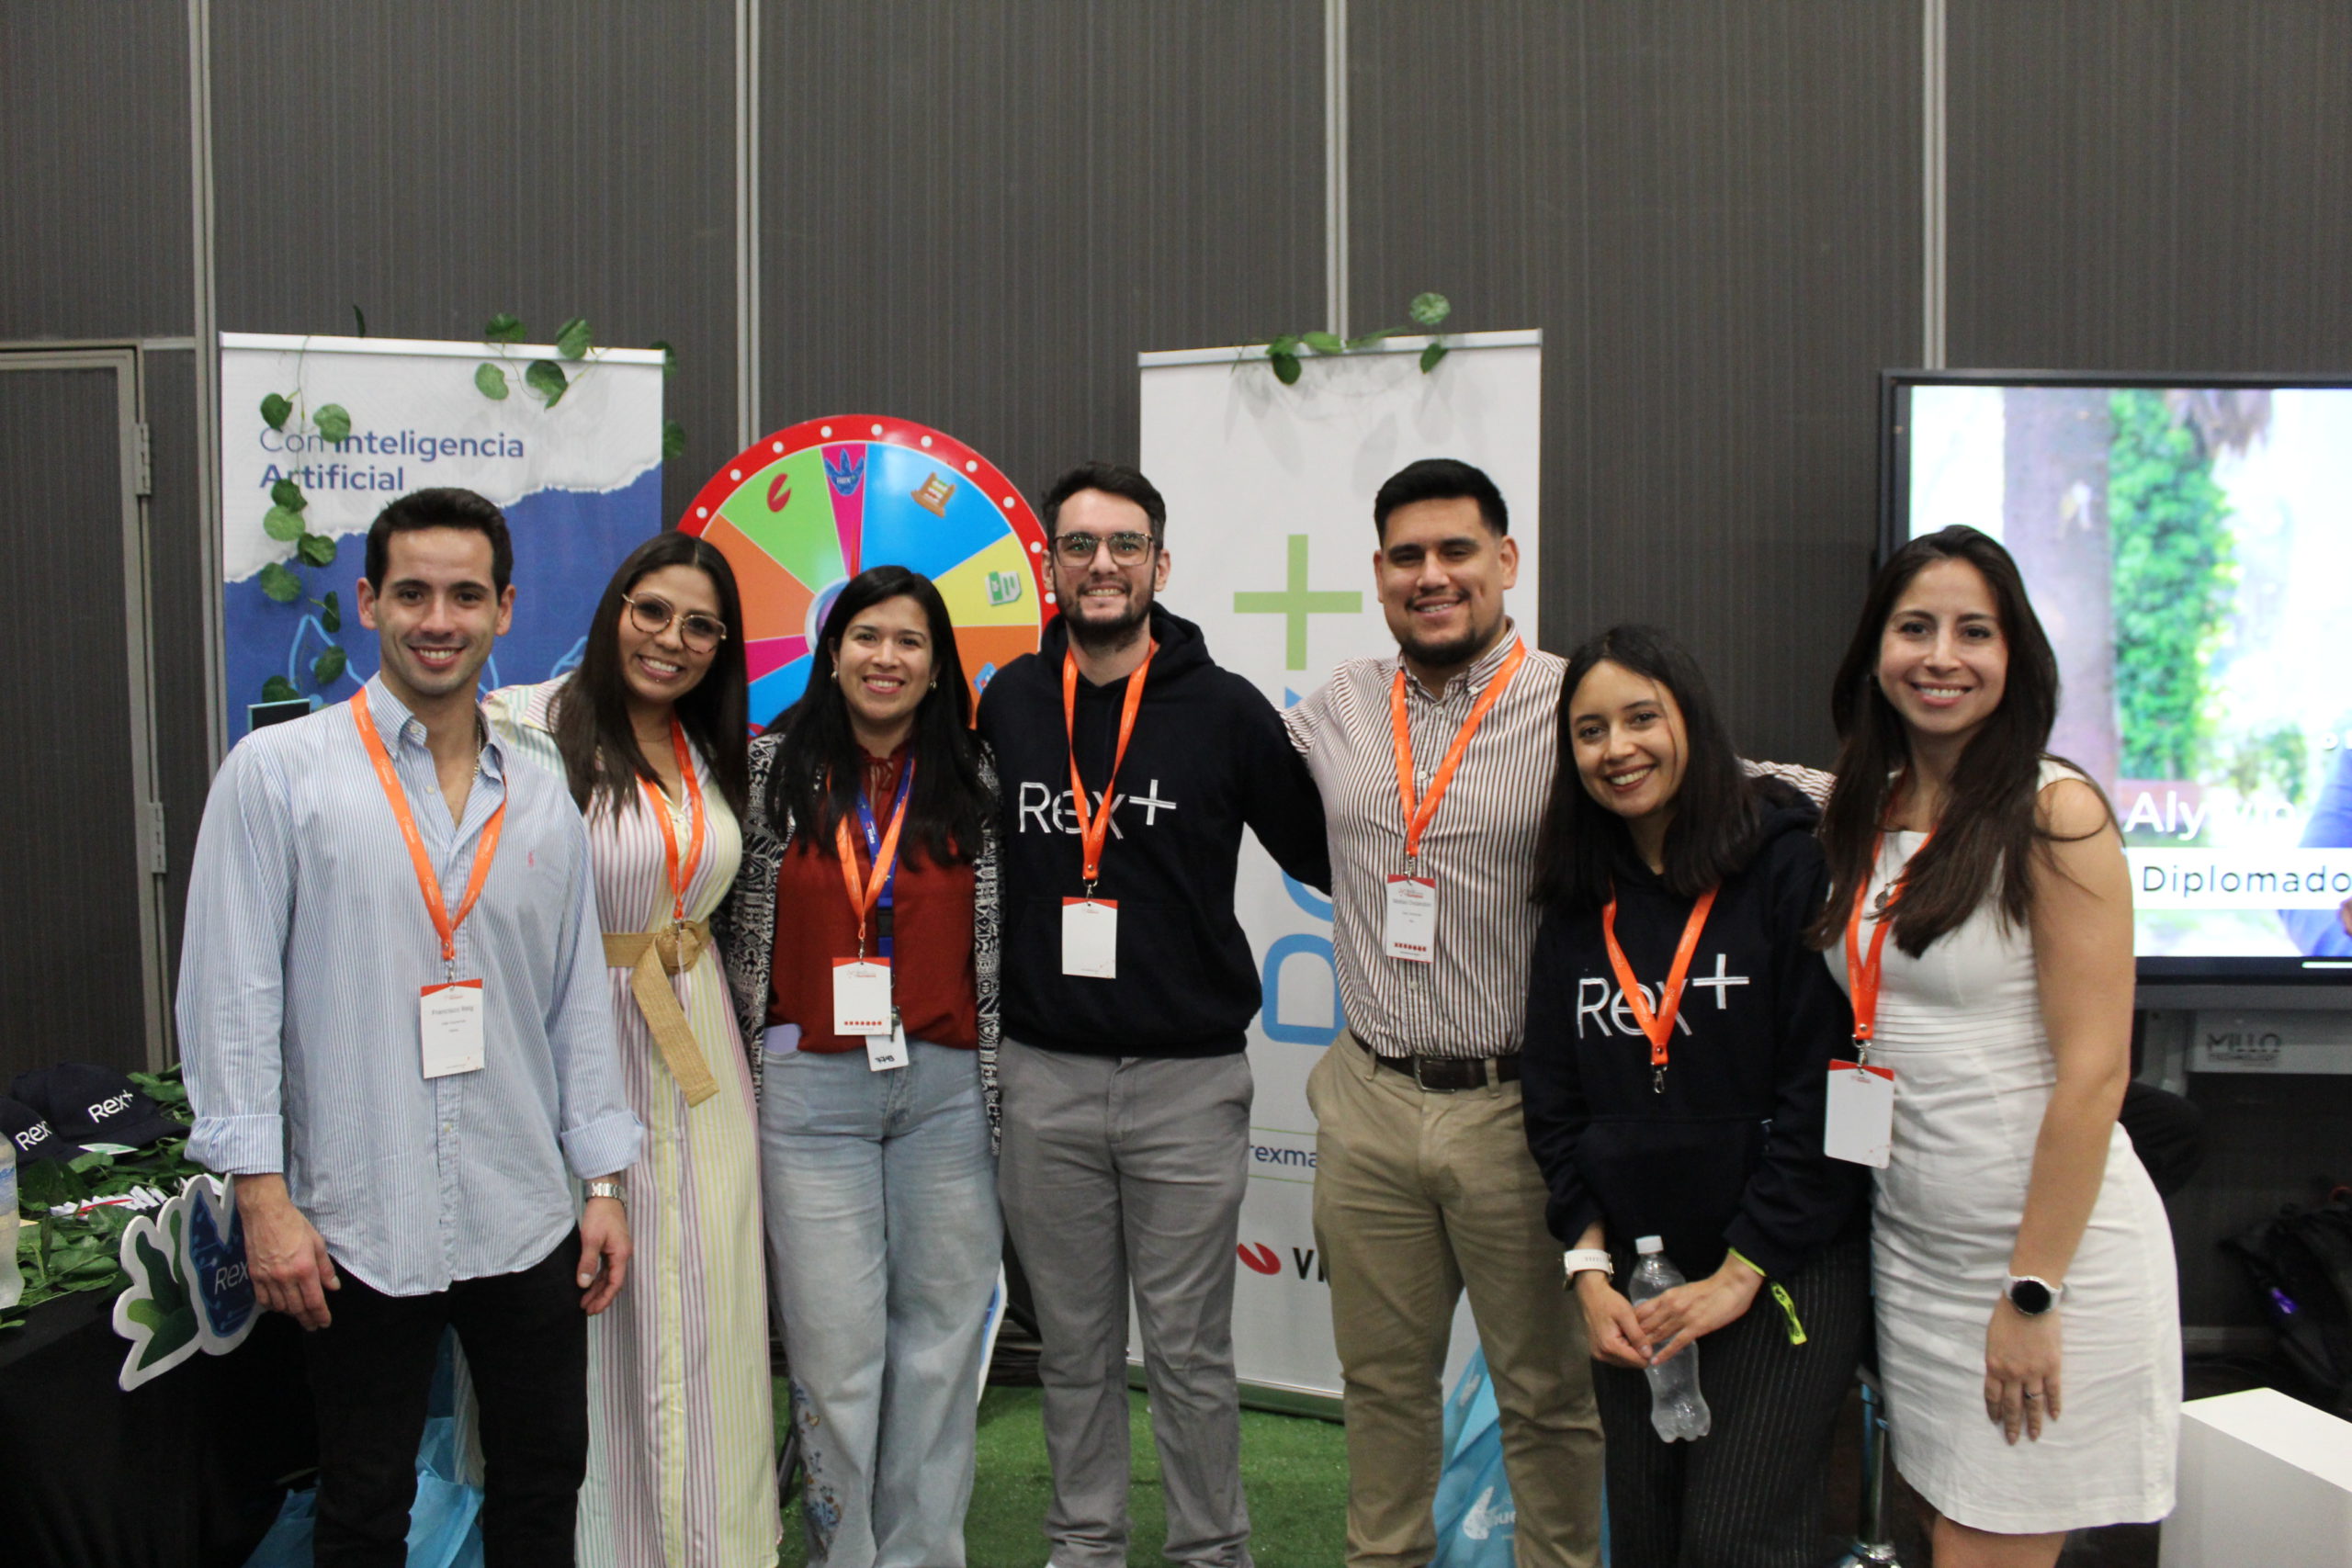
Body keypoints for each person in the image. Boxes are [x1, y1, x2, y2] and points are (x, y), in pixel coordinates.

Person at [177, 487, 641, 1566]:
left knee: (541, 1485)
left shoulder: (540, 791)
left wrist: (604, 1184)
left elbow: (575, 999)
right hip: (355, 1215)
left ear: (506, 609)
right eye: (415, 593)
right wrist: (261, 1196)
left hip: (524, 1204)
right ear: (368, 602)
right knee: (363, 1498)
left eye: (466, 595)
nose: (441, 618)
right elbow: (230, 994)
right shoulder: (278, 777)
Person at [975, 460, 1328, 1568]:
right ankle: (1084, 1542)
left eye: (1124, 545)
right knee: (1075, 1349)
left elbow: (1323, 851)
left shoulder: (1221, 710)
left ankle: (1209, 1550)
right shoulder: (1010, 702)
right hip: (1045, 1075)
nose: (1102, 564)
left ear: (1159, 565)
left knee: (1185, 1350)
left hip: (1186, 1079)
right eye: (1078, 545)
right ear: (1052, 564)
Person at [1809, 525, 2178, 1567]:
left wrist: (2031, 1292)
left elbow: (2096, 1074)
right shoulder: (1860, 809)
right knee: (1934, 1528)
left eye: (1974, 632)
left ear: (2014, 658)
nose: (1940, 656)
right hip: (1916, 1251)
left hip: (2043, 1266)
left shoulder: (2054, 815)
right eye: (1914, 627)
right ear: (1874, 652)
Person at [1284, 457, 1602, 1568]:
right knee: (1381, 1393)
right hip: (1369, 1101)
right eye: (1407, 557)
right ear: (1378, 575)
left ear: (1504, 561)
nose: (1433, 576)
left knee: (1547, 1398)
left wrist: (1892, 805)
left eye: (1456, 551)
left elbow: (1720, 785)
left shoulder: (1576, 702)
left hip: (1516, 1114)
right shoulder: (1336, 705)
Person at [1521, 624, 1871, 1567]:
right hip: (1639, 1276)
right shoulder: (1571, 898)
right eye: (1589, 731)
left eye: (1642, 718)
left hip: (1781, 1261)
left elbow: (1825, 1092)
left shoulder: (1787, 866)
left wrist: (1738, 1275)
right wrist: (1586, 1275)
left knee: (1733, 1542)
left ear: (1693, 723)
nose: (1617, 749)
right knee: (1646, 1538)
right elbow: (1555, 1107)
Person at [483, 532, 777, 1565]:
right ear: (614, 610)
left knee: (712, 1311)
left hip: (697, 1052)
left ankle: (716, 1545)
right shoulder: (519, 727)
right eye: (652, 611)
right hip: (573, 1039)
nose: (674, 639)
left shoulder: (711, 748)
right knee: (592, 1316)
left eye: (701, 624)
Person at [712, 564, 1001, 1568]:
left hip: (947, 1094)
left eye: (910, 642)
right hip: (809, 1091)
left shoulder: (979, 780)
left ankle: (924, 1554)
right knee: (836, 1357)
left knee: (939, 1347)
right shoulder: (760, 775)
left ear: (936, 667)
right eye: (867, 636)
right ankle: (845, 1553)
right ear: (830, 652)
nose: (887, 657)